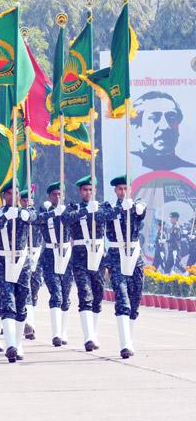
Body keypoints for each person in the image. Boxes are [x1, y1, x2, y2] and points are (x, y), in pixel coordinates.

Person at [60, 175, 113, 352]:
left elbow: (112, 215)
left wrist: (95, 210)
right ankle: (88, 336)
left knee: (98, 294)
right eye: (84, 190)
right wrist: (85, 211)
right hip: (80, 256)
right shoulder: (74, 207)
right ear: (80, 191)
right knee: (85, 293)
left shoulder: (102, 207)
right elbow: (65, 219)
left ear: (95, 191)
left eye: (90, 190)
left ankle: (94, 332)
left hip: (98, 255)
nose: (88, 192)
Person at [0, 185, 35, 363]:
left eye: (15, 193)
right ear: (3, 196)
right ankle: (11, 345)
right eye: (8, 193)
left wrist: (27, 214)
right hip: (2, 262)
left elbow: (36, 217)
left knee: (21, 304)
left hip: (22, 263)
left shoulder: (24, 211)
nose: (11, 196)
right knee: (7, 303)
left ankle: (18, 343)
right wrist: (5, 217)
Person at [105, 175, 147, 359]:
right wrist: (120, 209)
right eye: (119, 189)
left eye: (125, 189)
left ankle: (129, 337)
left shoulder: (137, 204)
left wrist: (136, 208)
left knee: (135, 297)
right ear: (115, 191)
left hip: (135, 255)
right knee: (122, 298)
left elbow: (141, 210)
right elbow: (101, 216)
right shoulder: (109, 207)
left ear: (130, 189)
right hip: (116, 256)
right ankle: (125, 344)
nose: (122, 192)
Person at [36, 182, 75, 347]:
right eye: (54, 195)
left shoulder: (70, 210)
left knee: (66, 297)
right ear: (49, 197)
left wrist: (63, 213)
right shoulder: (44, 212)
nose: (57, 197)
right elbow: (36, 220)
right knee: (56, 294)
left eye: (60, 194)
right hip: (50, 255)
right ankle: (56, 333)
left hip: (66, 256)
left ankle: (63, 330)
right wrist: (53, 213)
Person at [130, 91, 196, 172]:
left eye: (171, 117)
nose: (165, 126)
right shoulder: (127, 168)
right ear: (137, 126)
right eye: (155, 118)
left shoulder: (191, 170)